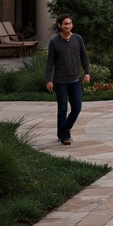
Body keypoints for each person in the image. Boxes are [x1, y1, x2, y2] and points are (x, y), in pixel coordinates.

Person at [44, 14, 90, 145]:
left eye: (69, 23)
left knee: (77, 108)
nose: (68, 26)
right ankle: (64, 136)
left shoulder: (78, 39)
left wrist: (87, 72)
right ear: (60, 25)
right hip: (60, 81)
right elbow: (50, 63)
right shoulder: (54, 42)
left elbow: (84, 57)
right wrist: (48, 80)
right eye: (65, 24)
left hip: (75, 80)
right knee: (62, 110)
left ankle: (63, 130)